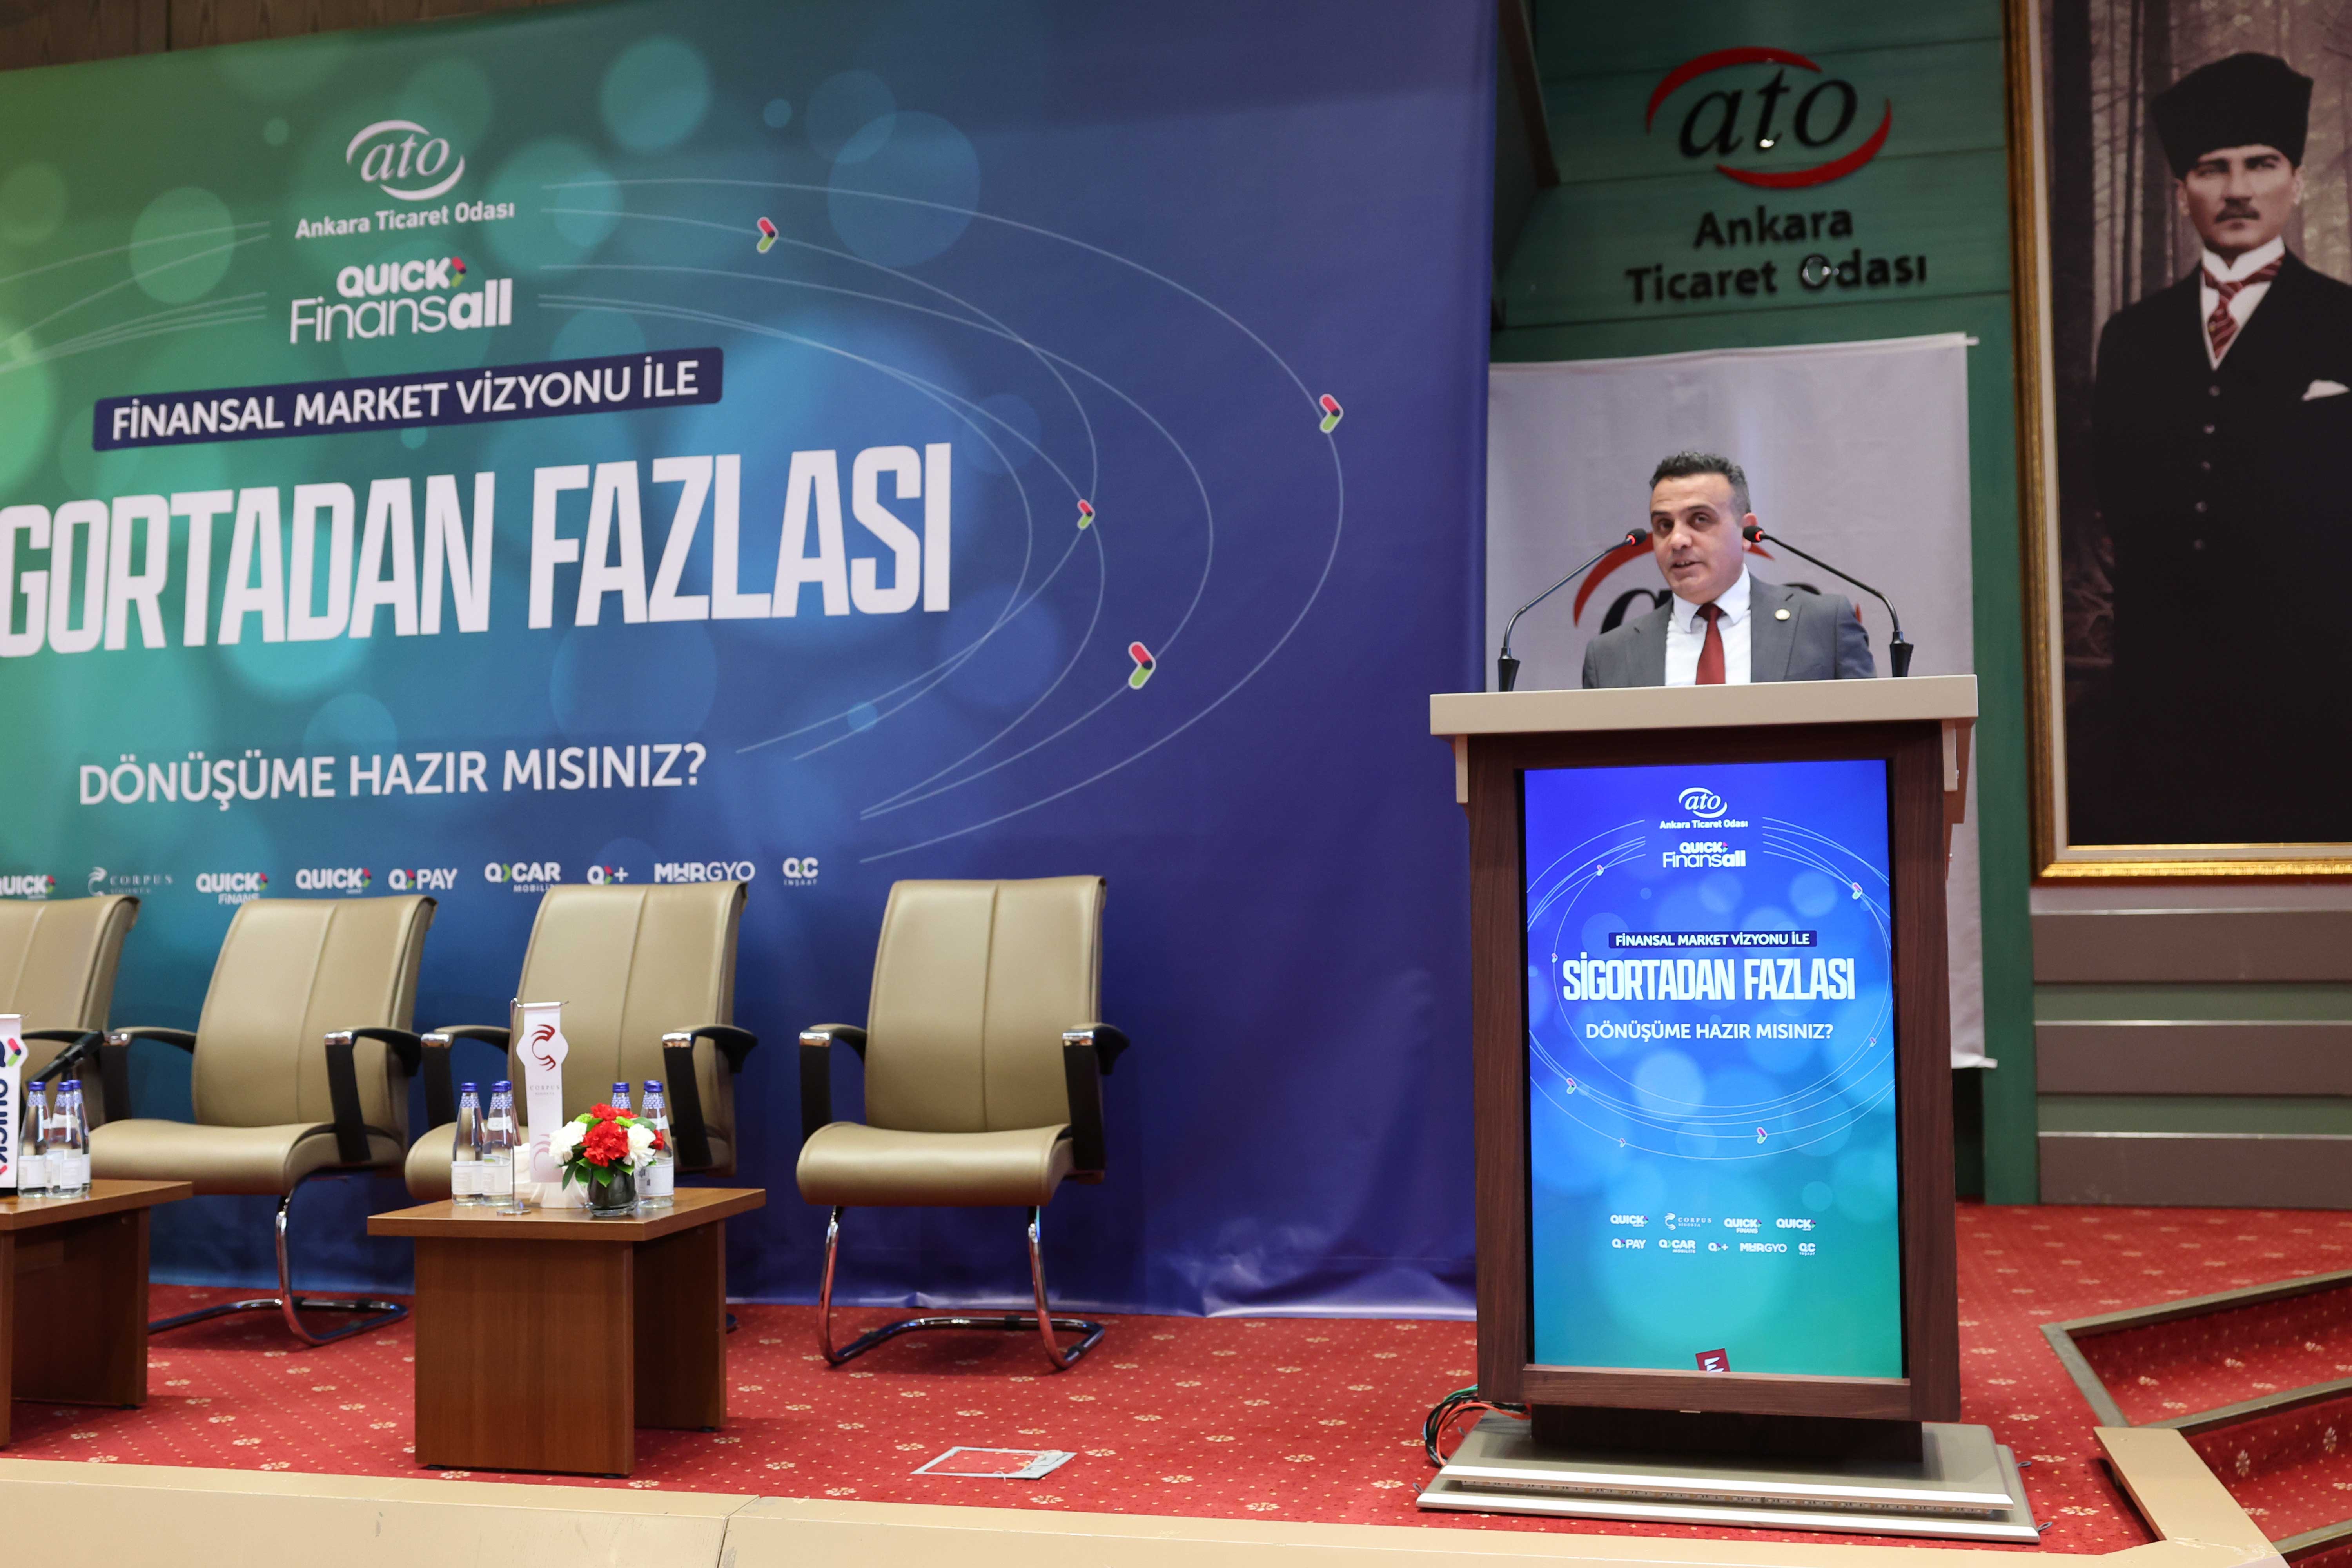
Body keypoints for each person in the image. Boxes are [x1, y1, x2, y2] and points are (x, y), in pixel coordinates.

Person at [2090, 51, 2352, 843]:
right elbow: (2117, 492)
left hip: (2314, 693)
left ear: (2295, 182)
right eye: (2212, 169)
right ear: (2183, 193)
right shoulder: (2132, 338)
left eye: (2260, 164)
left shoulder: (2344, 321)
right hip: (2161, 701)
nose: (2237, 189)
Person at [1581, 452, 1874, 688]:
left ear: (1746, 531)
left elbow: (1868, 734)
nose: (1678, 540)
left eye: (1700, 519)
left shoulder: (1823, 625)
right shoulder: (1609, 655)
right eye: (1664, 525)